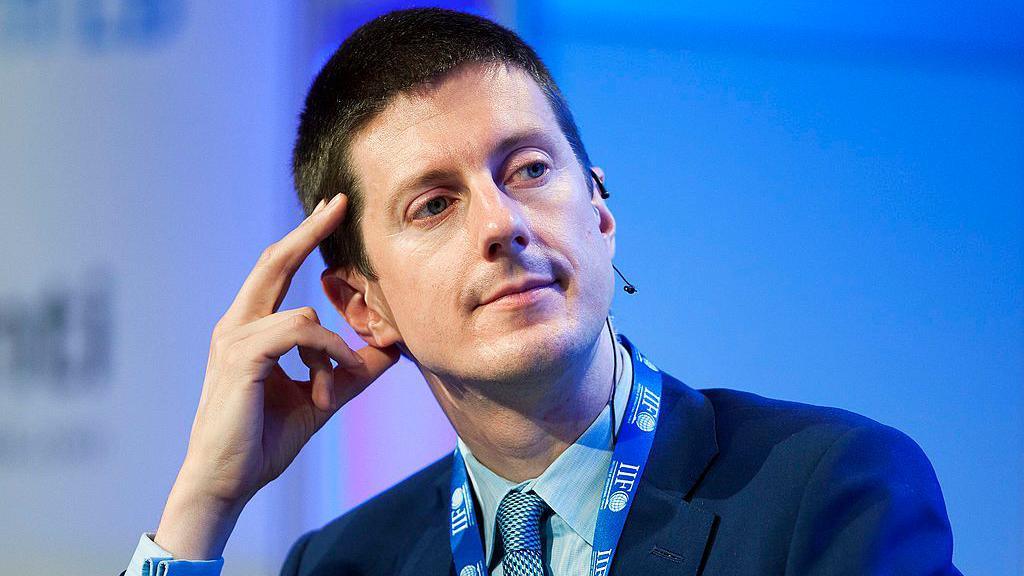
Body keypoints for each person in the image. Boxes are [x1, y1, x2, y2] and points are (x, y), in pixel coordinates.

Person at [120, 7, 961, 576]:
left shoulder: (826, 492)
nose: (502, 224)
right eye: (435, 203)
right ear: (361, 306)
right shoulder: (343, 562)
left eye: (527, 169)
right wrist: (204, 501)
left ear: (599, 214)